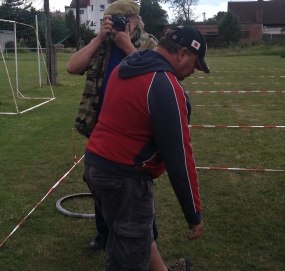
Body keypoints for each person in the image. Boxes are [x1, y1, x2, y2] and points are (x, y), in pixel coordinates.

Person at [83, 25, 209, 271]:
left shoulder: (128, 66)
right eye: (195, 64)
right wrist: (193, 212)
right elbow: (179, 157)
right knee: (128, 258)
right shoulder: (164, 83)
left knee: (137, 234)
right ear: (182, 53)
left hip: (96, 166)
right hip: (125, 178)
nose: (194, 72)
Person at [67, 0, 159, 253]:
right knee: (100, 181)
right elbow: (72, 67)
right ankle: (104, 233)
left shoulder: (149, 44)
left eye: (122, 21)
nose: (117, 25)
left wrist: (127, 45)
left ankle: (146, 236)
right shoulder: (102, 44)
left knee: (136, 186)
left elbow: (157, 75)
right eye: (111, 20)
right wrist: (99, 38)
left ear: (134, 21)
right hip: (100, 124)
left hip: (133, 128)